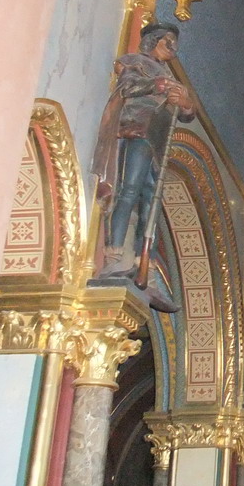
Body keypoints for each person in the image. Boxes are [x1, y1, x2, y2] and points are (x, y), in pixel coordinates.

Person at [91, 22, 195, 310]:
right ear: (153, 40)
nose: (173, 47)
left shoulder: (169, 75)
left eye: (174, 42)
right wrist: (156, 85)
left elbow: (187, 114)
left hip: (156, 140)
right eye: (168, 41)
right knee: (129, 190)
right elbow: (127, 88)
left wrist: (185, 104)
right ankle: (114, 257)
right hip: (136, 130)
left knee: (151, 199)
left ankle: (141, 261)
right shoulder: (136, 63)